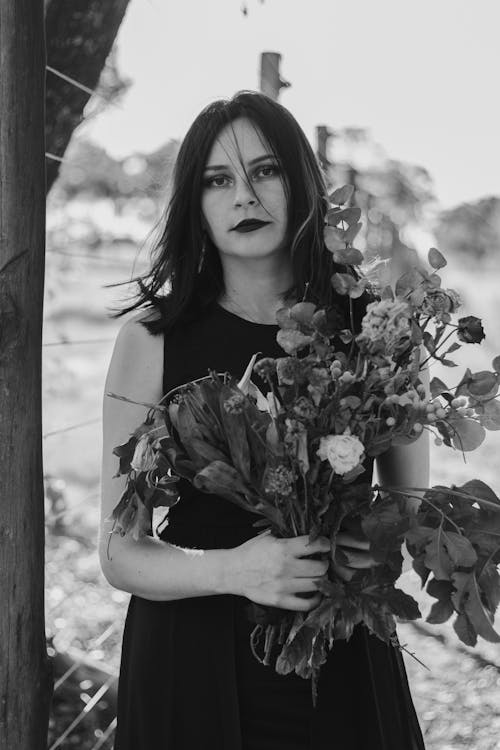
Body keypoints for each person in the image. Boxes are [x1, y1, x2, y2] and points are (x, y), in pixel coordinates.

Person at [99, 90, 429, 749]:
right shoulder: (153, 339)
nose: (244, 197)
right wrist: (233, 571)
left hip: (340, 649)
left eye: (266, 170)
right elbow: (118, 551)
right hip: (188, 663)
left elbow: (408, 506)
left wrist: (371, 547)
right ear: (194, 203)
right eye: (218, 180)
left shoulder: (380, 334)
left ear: (302, 181)